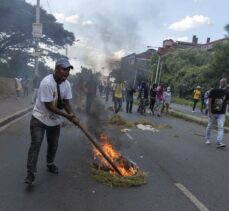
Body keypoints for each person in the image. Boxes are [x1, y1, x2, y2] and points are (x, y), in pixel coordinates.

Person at [24, 58, 80, 185]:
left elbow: (66, 102)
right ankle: (30, 174)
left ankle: (50, 164)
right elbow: (49, 106)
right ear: (56, 69)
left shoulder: (67, 84)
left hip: (54, 121)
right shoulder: (46, 83)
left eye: (68, 70)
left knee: (53, 145)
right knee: (36, 144)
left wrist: (73, 115)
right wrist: (67, 116)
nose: (66, 73)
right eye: (64, 69)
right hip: (40, 118)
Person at [205, 78, 229, 148]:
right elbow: (209, 102)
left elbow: (227, 102)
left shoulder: (227, 92)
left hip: (221, 113)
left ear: (226, 84)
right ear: (219, 83)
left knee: (221, 127)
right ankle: (207, 139)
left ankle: (219, 142)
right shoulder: (213, 91)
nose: (223, 83)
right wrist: (210, 112)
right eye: (222, 82)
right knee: (210, 126)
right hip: (213, 112)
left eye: (225, 82)